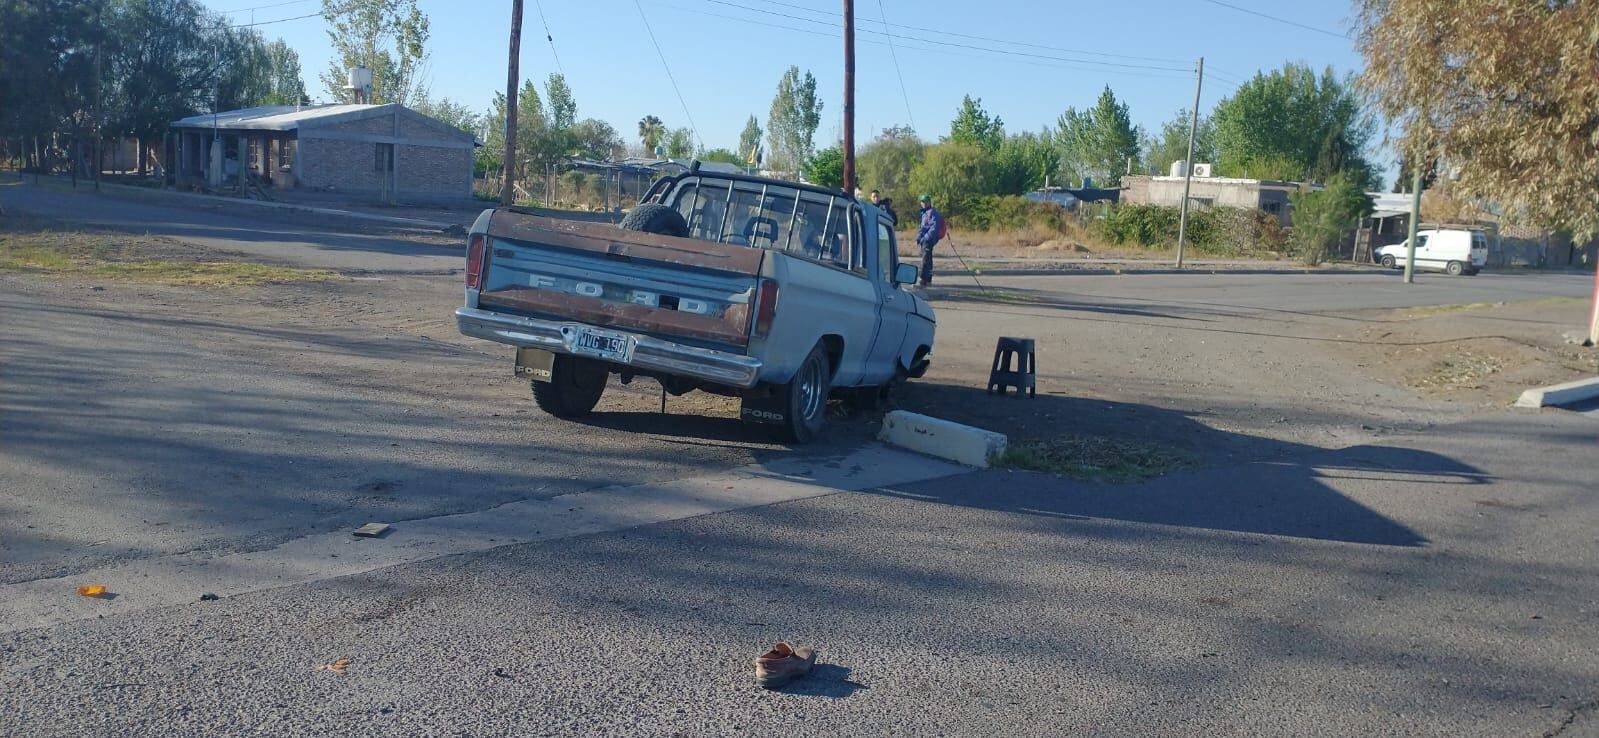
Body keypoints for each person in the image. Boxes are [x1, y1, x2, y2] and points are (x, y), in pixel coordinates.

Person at [914, 194, 943, 287]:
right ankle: (927, 280)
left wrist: (925, 238)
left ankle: (923, 280)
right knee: (927, 259)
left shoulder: (932, 212)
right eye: (922, 202)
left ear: (929, 202)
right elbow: (922, 228)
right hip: (924, 240)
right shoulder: (924, 213)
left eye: (925, 202)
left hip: (928, 240)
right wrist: (918, 237)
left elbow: (934, 227)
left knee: (926, 260)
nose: (924, 204)